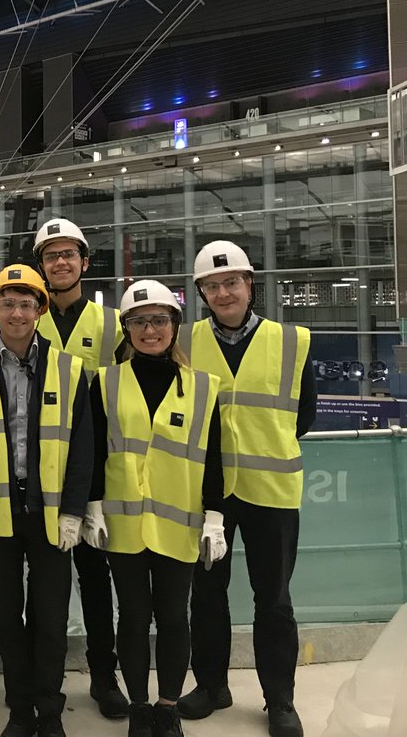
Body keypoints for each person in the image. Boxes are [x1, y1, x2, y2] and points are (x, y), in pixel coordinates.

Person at [178, 241, 316, 737]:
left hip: (271, 492)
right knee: (207, 594)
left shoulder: (291, 340)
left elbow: (305, 415)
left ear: (249, 284)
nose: (223, 292)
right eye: (212, 286)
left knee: (273, 598)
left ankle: (279, 700)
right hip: (206, 493)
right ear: (200, 293)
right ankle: (212, 686)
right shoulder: (185, 341)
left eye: (231, 282)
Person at [0, 264, 95, 737]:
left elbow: (83, 449)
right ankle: (19, 709)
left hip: (52, 517)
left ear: (41, 310)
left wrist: (74, 511)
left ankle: (49, 710)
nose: (17, 313)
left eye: (27, 304)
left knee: (51, 621)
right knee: (9, 621)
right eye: (7, 304)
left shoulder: (69, 369)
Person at [90, 279, 226, 737]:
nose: (150, 330)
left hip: (179, 525)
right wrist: (90, 506)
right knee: (131, 617)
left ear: (175, 327)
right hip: (122, 524)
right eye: (139, 321)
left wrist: (215, 516)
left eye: (159, 320)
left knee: (173, 618)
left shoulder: (203, 388)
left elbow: (214, 459)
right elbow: (91, 452)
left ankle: (167, 707)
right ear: (127, 329)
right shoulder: (105, 382)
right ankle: (138, 708)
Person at [33, 218, 129, 720]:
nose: (60, 262)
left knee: (96, 581)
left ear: (84, 263)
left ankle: (104, 676)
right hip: (42, 476)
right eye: (51, 256)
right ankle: (41, 681)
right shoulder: (27, 322)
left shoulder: (112, 326)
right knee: (45, 588)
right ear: (41, 267)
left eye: (68, 254)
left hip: (96, 474)